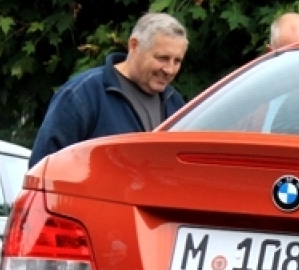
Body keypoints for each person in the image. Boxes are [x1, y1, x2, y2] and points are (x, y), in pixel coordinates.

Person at [29, 13, 188, 166]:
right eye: (162, 58)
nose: (170, 69)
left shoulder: (176, 105)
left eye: (177, 61)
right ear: (134, 45)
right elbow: (43, 168)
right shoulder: (84, 94)